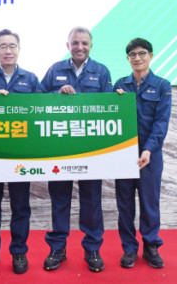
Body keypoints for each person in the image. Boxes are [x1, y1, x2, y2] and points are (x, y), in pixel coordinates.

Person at [40, 26, 113, 273]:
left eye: (84, 43)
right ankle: (57, 248)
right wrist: (56, 93)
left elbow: (109, 106)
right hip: (59, 148)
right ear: (68, 46)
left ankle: (92, 248)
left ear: (91, 46)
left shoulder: (101, 71)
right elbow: (37, 100)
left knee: (91, 201)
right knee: (59, 199)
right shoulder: (55, 70)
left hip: (90, 149)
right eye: (75, 43)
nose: (80, 47)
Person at [0, 29, 42, 275]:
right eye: (3, 46)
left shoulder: (31, 79)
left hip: (20, 154)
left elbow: (41, 113)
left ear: (19, 50)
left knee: (20, 206)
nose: (8, 50)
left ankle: (19, 251)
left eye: (12, 46)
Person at [113, 38, 172, 269]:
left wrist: (148, 149)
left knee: (149, 203)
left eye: (142, 53)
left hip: (150, 155)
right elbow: (110, 117)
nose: (137, 58)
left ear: (151, 56)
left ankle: (151, 246)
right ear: (128, 59)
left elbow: (161, 123)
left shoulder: (162, 86)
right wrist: (113, 100)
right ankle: (129, 248)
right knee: (125, 204)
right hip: (123, 155)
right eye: (132, 55)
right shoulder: (120, 84)